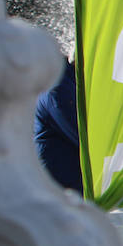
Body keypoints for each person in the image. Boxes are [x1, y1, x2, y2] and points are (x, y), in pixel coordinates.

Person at [34, 58, 82, 194]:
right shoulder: (58, 87)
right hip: (61, 189)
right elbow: (84, 138)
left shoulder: (70, 83)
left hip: (68, 187)